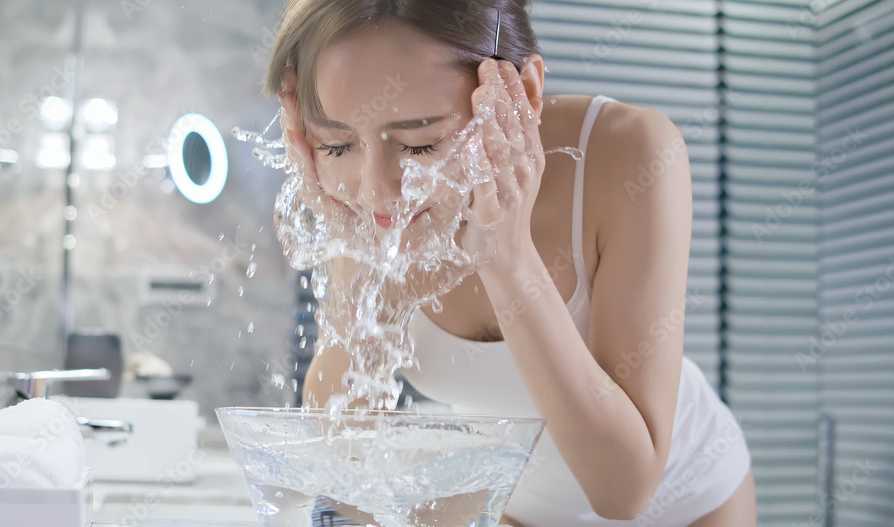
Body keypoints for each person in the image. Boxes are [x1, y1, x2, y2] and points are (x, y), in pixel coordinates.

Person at [263, 1, 756, 525]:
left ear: (524, 96)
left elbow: (624, 492)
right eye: (337, 146)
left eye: (420, 143)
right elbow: (336, 464)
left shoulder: (628, 152)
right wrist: (360, 269)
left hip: (686, 499)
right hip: (514, 508)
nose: (377, 193)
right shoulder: (362, 211)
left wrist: (508, 256)